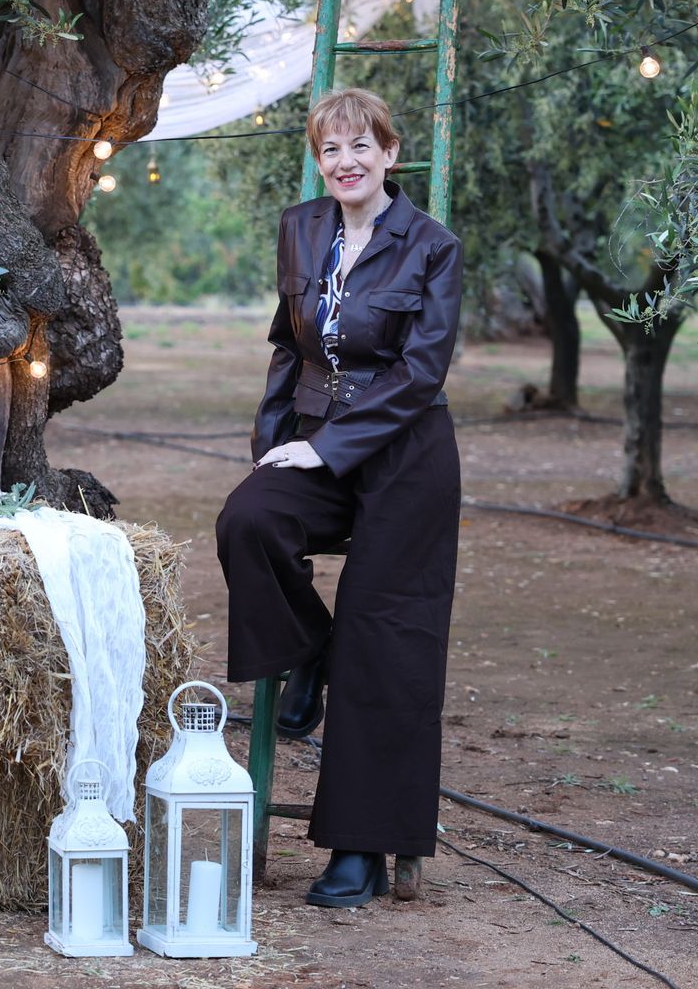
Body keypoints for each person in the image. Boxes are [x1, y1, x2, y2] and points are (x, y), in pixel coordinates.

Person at [216, 86, 463, 908]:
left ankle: (360, 848)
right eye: (331, 149)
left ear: (391, 154)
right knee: (247, 521)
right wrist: (273, 448)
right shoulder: (303, 227)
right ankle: (308, 647)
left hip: (404, 456)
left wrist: (326, 449)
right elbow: (288, 346)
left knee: (388, 636)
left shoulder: (432, 246)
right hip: (314, 443)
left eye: (362, 147)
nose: (346, 162)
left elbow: (419, 375)